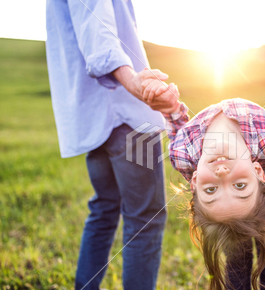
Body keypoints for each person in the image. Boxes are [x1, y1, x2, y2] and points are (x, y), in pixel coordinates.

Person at [144, 47, 265, 289]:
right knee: (237, 269)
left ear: (194, 181)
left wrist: (170, 107)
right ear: (257, 171)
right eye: (240, 186)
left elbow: (180, 130)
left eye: (210, 190)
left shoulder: (183, 154)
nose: (222, 175)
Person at [46, 0, 178, 289]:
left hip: (92, 114)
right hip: (124, 111)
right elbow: (98, 27)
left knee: (105, 207)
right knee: (144, 218)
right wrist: (133, 83)